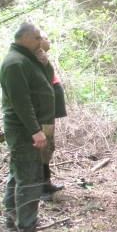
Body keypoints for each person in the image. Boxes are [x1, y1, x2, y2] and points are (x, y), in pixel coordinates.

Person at [0, 22, 54, 232]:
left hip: (32, 128)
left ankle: (12, 217)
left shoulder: (28, 59)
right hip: (24, 130)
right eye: (38, 37)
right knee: (30, 178)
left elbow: (46, 83)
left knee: (19, 173)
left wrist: (45, 63)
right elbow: (20, 102)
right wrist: (35, 130)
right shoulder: (15, 63)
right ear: (25, 39)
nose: (42, 41)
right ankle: (28, 231)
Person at [35, 32, 67, 201]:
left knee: (48, 147)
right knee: (42, 147)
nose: (48, 40)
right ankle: (39, 188)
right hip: (41, 115)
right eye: (45, 37)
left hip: (48, 114)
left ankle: (46, 183)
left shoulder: (42, 58)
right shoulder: (32, 58)